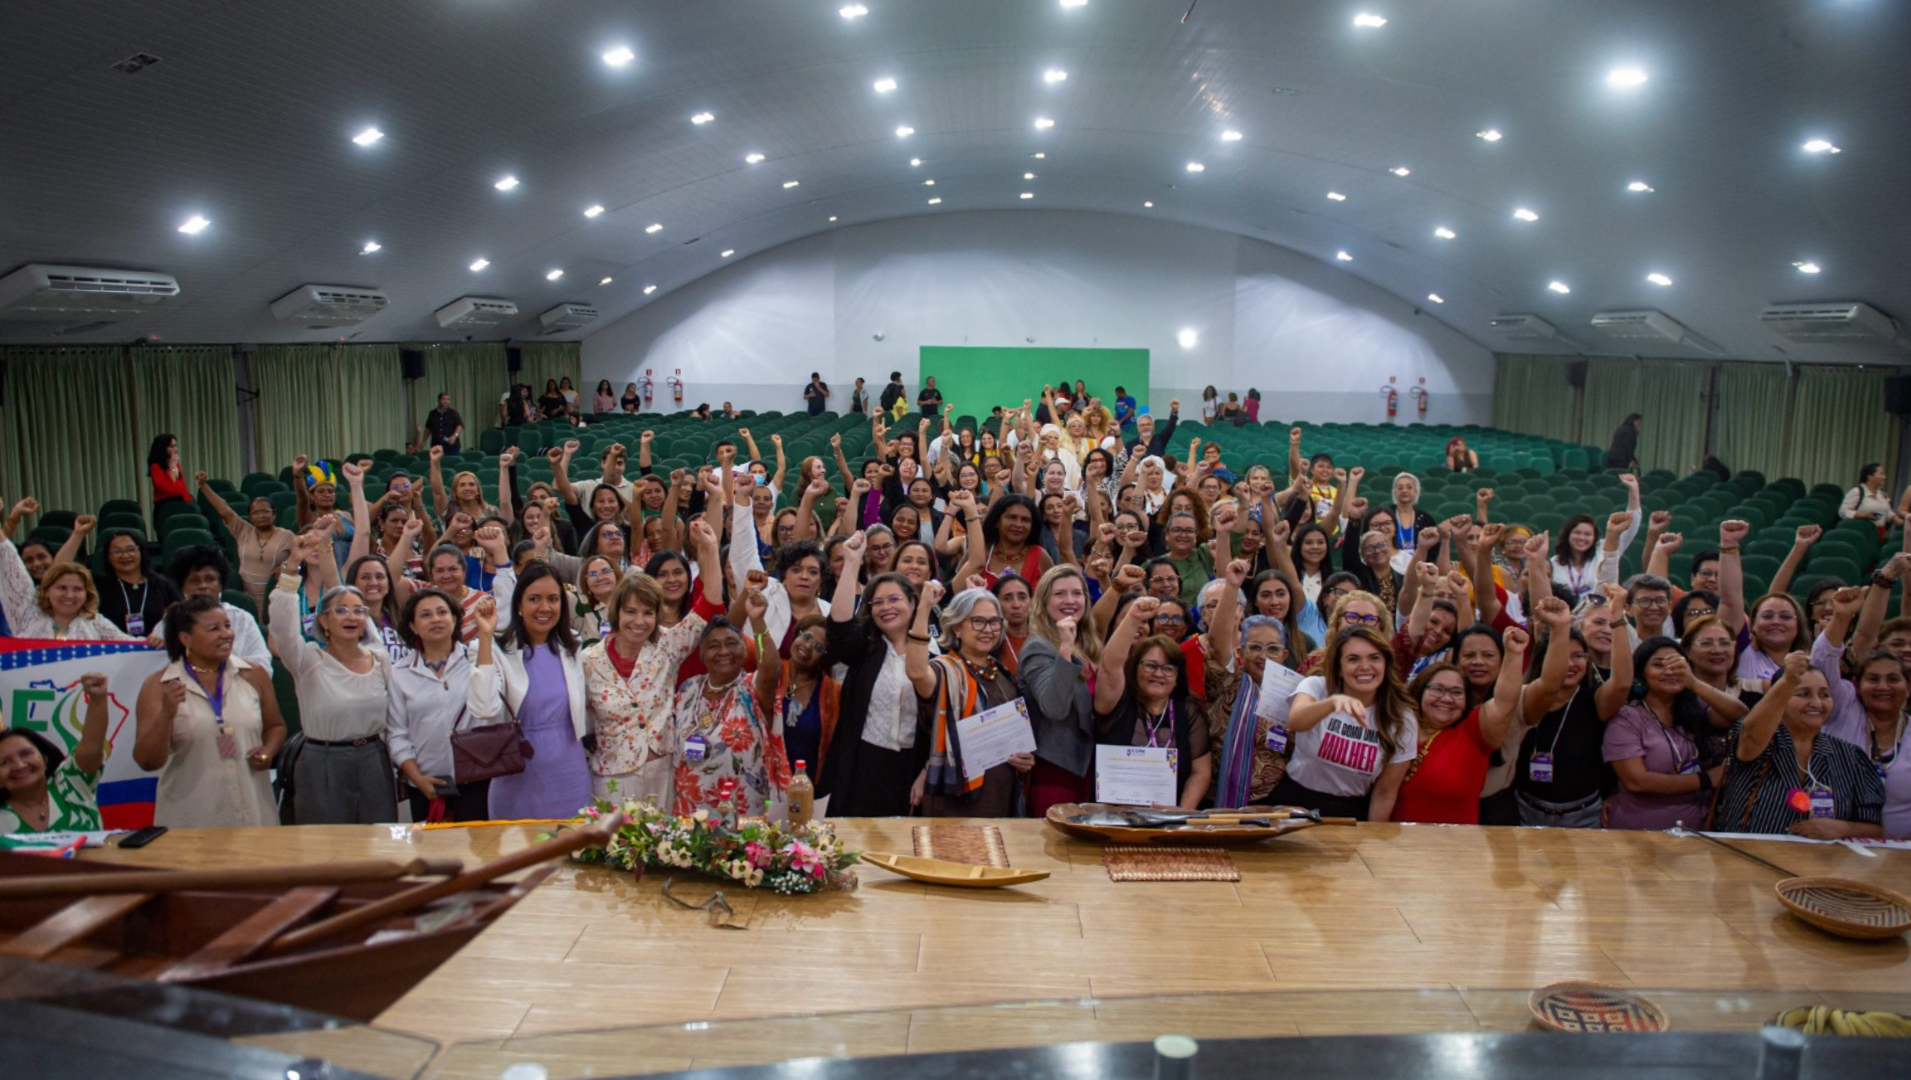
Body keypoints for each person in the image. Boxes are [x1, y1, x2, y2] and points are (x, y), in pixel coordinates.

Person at [582, 520, 725, 805]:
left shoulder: (667, 644)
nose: (639, 621)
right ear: (616, 612)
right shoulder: (588, 661)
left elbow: (709, 603)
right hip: (612, 775)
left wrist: (709, 549)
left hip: (662, 770)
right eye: (630, 611)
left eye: (648, 613)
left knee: (664, 848)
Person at [270, 533, 395, 824]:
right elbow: (283, 627)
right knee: (326, 847)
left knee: (379, 843)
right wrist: (292, 568)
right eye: (340, 611)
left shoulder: (379, 658)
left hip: (374, 759)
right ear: (324, 621)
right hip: (321, 760)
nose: (350, 617)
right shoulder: (307, 659)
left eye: (358, 611)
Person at [134, 596, 283, 828]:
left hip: (254, 816)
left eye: (227, 626)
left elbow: (275, 725)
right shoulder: (160, 685)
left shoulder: (254, 674)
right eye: (214, 629)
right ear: (186, 638)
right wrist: (165, 714)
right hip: (192, 820)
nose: (227, 634)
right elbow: (147, 760)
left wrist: (268, 751)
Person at [1713, 653, 1884, 837]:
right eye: (1803, 694)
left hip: (1823, 863)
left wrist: (1843, 828)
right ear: (1778, 698)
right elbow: (1751, 734)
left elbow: (1875, 828)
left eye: (1825, 694)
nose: (1817, 703)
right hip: (1748, 860)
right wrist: (1788, 681)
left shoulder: (1851, 756)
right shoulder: (1756, 738)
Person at [471, 564, 594, 819]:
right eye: (534, 599)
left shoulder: (572, 645)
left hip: (569, 768)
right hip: (518, 770)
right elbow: (484, 708)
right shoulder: (493, 648)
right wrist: (485, 636)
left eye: (553, 599)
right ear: (518, 604)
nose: (545, 608)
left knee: (571, 852)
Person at [816, 533, 923, 815]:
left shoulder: (933, 655)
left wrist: (926, 771)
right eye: (878, 603)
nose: (886, 607)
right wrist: (852, 562)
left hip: (910, 769)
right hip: (861, 762)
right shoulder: (866, 648)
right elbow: (838, 629)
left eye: (894, 599)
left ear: (913, 603)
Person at [1509, 592, 1633, 827]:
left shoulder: (1594, 700)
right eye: (1562, 656)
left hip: (1584, 816)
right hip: (1526, 811)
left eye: (1579, 656)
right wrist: (1559, 627)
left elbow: (1623, 683)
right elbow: (1548, 685)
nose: (1570, 664)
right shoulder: (1528, 696)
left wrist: (1617, 617)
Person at [910, 583, 1034, 815]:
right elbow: (916, 672)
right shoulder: (943, 670)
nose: (988, 629)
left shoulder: (1004, 674)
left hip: (1002, 797)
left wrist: (1024, 758)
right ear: (957, 628)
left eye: (994, 621)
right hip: (956, 801)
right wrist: (925, 606)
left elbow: (1017, 738)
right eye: (978, 621)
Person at [1272, 623, 1417, 821]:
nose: (1365, 666)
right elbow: (1296, 720)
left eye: (1374, 658)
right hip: (1295, 801)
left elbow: (1385, 792)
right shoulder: (1317, 687)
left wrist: (1373, 841)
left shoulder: (1402, 718)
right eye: (1353, 659)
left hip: (1350, 812)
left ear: (1386, 663)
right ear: (1339, 668)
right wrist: (1332, 703)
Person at [1602, 636, 1746, 831]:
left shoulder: (1694, 708)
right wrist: (1705, 780)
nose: (1669, 671)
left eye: (1678, 665)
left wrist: (1694, 683)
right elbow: (1636, 781)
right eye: (1658, 665)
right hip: (1640, 832)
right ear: (1641, 673)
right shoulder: (1627, 717)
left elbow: (1741, 717)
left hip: (1697, 831)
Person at [671, 589, 790, 818]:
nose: (723, 651)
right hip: (689, 816)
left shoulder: (752, 687)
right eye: (714, 646)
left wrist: (757, 621)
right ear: (703, 655)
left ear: (745, 651)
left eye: (731, 643)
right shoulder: (688, 689)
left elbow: (771, 668)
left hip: (744, 818)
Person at [1391, 629, 1529, 824]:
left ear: (1466, 701)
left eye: (1457, 692)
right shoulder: (1396, 728)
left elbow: (1504, 701)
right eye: (1438, 689)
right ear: (1420, 691)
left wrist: (1514, 654)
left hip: (1457, 849)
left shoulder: (1473, 731)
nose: (1446, 699)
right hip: (1396, 846)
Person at [1094, 594, 1214, 809]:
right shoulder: (1116, 701)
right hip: (1112, 819)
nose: (1159, 674)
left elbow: (1200, 771)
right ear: (1135, 668)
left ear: (1178, 676)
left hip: (1169, 823)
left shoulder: (1189, 711)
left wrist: (1182, 813)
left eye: (1168, 668)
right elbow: (1110, 664)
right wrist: (1133, 617)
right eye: (1150, 665)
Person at [386, 587, 493, 823]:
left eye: (442, 612)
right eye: (425, 615)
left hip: (479, 780)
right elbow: (397, 734)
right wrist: (417, 778)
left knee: (482, 854)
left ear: (455, 620)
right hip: (427, 784)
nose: (435, 619)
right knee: (432, 856)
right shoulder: (399, 672)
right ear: (412, 626)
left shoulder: (476, 659)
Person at [0, 672, 110, 833]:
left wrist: (98, 699)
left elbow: (92, 746)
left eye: (25, 754)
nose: (19, 765)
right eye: (4, 762)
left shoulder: (71, 782)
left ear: (45, 758)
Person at [0, 534, 136, 641]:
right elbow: (8, 559)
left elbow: (132, 647)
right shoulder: (29, 615)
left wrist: (154, 641)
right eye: (62, 588)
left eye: (77, 589)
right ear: (46, 591)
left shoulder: (96, 623)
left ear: (87, 594)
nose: (70, 595)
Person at [195, 474, 294, 615]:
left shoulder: (287, 536)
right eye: (256, 512)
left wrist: (286, 566)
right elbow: (223, 509)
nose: (261, 515)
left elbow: (301, 558)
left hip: (277, 596)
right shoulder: (243, 530)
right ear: (251, 517)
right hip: (246, 597)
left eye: (266, 511)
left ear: (274, 514)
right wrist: (203, 486)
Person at [167, 543, 272, 670]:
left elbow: (263, 667)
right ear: (182, 587)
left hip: (237, 687)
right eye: (194, 581)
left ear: (221, 584)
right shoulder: (171, 620)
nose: (203, 586)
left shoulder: (242, 619)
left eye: (210, 579)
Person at [94, 530, 178, 639]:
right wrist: (78, 534)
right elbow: (64, 570)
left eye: (131, 550)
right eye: (117, 551)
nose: (125, 555)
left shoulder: (162, 585)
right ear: (108, 557)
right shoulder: (99, 585)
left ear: (141, 552)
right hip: (113, 652)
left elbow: (181, 617)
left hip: (156, 650)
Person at [1840, 463, 1900, 533]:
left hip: (1879, 533)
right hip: (1860, 531)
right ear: (1869, 477)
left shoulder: (1883, 495)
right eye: (1881, 474)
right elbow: (1843, 511)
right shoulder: (1857, 492)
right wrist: (1864, 515)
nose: (1884, 477)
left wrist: (1895, 519)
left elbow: (1886, 512)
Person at [148, 433, 191, 507]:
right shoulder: (155, 466)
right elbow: (170, 488)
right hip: (165, 503)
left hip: (181, 499)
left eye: (175, 446)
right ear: (163, 448)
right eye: (172, 446)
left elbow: (181, 485)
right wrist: (173, 467)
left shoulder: (175, 463)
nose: (175, 449)